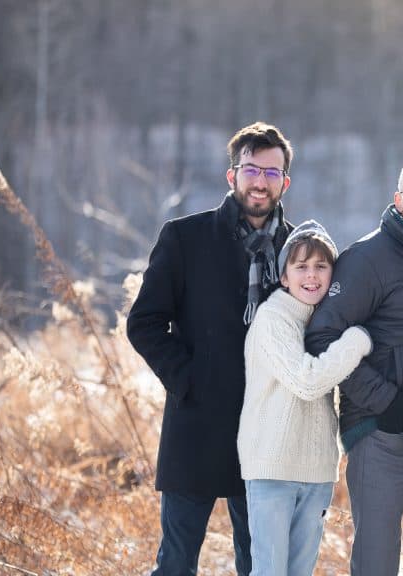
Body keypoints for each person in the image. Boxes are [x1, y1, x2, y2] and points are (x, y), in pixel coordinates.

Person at [127, 122, 295, 575]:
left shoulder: (297, 249)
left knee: (259, 564)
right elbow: (143, 322)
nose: (260, 182)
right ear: (232, 175)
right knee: (176, 563)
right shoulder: (185, 237)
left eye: (272, 173)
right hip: (196, 425)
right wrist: (188, 380)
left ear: (284, 182)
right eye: (251, 169)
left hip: (264, 432)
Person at [304, 156, 403, 576]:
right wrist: (384, 400)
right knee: (376, 564)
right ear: (398, 199)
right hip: (382, 435)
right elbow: (322, 335)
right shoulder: (368, 258)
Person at [238, 220, 373, 576]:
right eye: (301, 266)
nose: (311, 275)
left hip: (316, 471)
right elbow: (308, 381)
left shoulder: (326, 321)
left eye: (321, 266)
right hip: (273, 468)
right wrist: (357, 341)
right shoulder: (273, 318)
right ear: (284, 276)